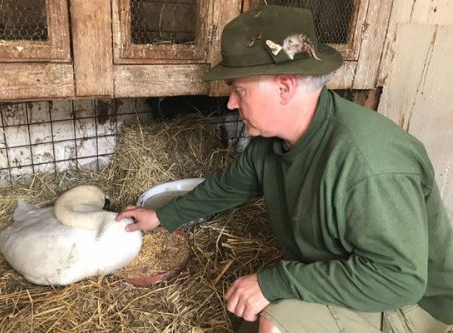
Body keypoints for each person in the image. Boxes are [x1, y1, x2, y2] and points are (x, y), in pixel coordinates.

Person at [116, 5, 453, 333]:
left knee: (280, 320)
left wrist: (276, 281)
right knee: (247, 312)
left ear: (285, 87)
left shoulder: (367, 162)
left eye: (239, 90)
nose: (231, 103)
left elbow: (399, 280)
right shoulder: (273, 142)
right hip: (351, 272)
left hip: (410, 306)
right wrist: (162, 216)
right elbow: (230, 186)